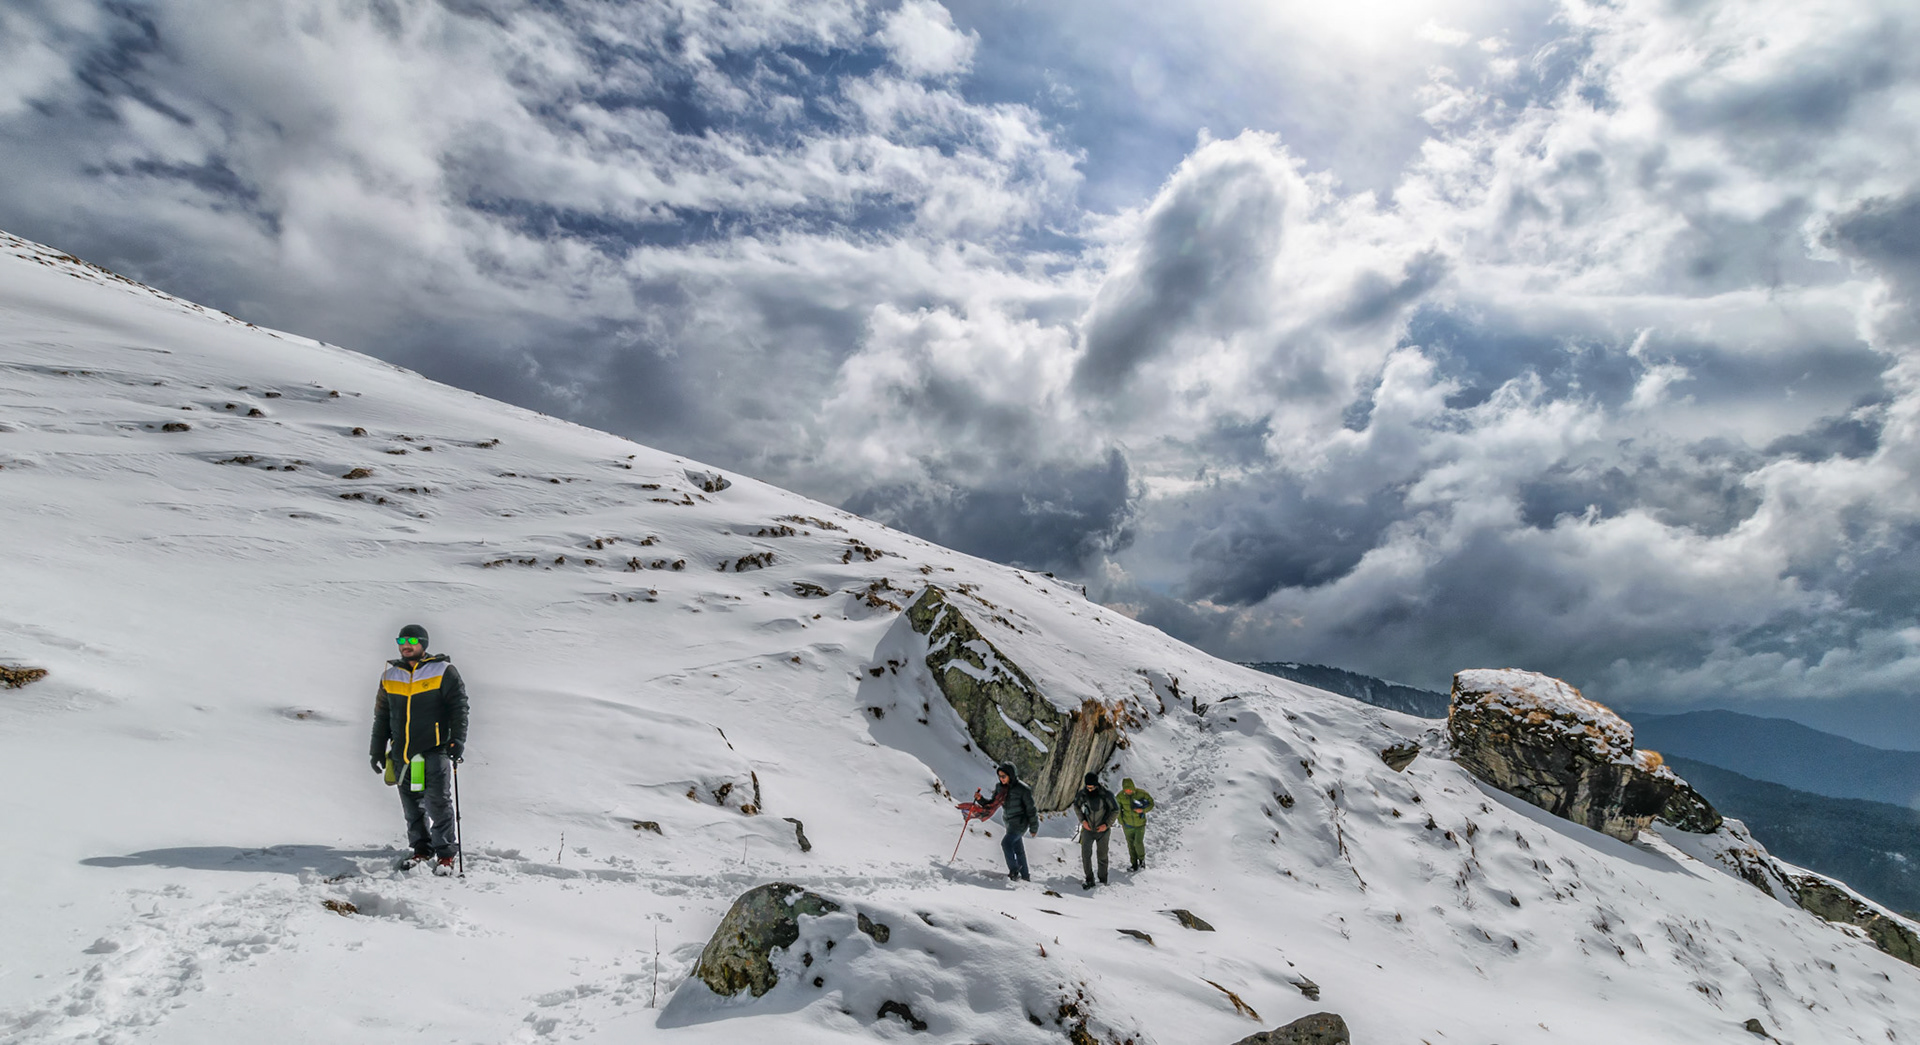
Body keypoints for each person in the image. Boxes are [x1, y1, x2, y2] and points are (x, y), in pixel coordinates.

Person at [369, 624, 469, 875]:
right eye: (401, 640)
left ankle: (446, 854)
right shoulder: (390, 676)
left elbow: (459, 707)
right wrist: (377, 750)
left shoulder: (443, 670)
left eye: (412, 640)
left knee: (438, 802)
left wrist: (457, 739)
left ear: (423, 643)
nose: (406, 644)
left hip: (434, 749)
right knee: (413, 805)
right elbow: (382, 716)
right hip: (403, 753)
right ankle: (421, 850)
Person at [973, 762, 1038, 881]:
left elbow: (1031, 809)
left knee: (1006, 843)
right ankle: (1025, 876)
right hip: (1009, 822)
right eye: (1000, 776)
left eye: (1004, 776)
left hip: (1020, 823)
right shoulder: (1000, 788)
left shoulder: (1023, 789)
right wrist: (980, 799)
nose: (1001, 779)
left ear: (1011, 775)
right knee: (1018, 850)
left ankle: (1014, 871)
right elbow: (991, 804)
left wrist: (1034, 827)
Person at [1073, 772, 1118, 889]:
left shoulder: (1106, 795)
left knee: (1102, 855)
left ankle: (1103, 880)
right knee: (1085, 854)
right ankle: (1089, 879)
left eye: (1091, 787)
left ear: (1096, 785)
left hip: (1103, 830)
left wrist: (1106, 824)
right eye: (1087, 787)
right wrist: (1083, 821)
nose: (1089, 789)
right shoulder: (1083, 794)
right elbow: (1076, 806)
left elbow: (1115, 810)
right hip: (1088, 830)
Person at [1117, 777, 1156, 871]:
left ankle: (1142, 861)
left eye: (1130, 789)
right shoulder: (1119, 797)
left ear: (1133, 787)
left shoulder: (1141, 793)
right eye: (1126, 790)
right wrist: (1121, 822)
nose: (1128, 791)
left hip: (1140, 825)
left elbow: (1151, 803)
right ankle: (1133, 864)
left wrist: (1143, 810)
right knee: (1130, 844)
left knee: (1138, 843)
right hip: (1127, 825)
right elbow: (1117, 810)